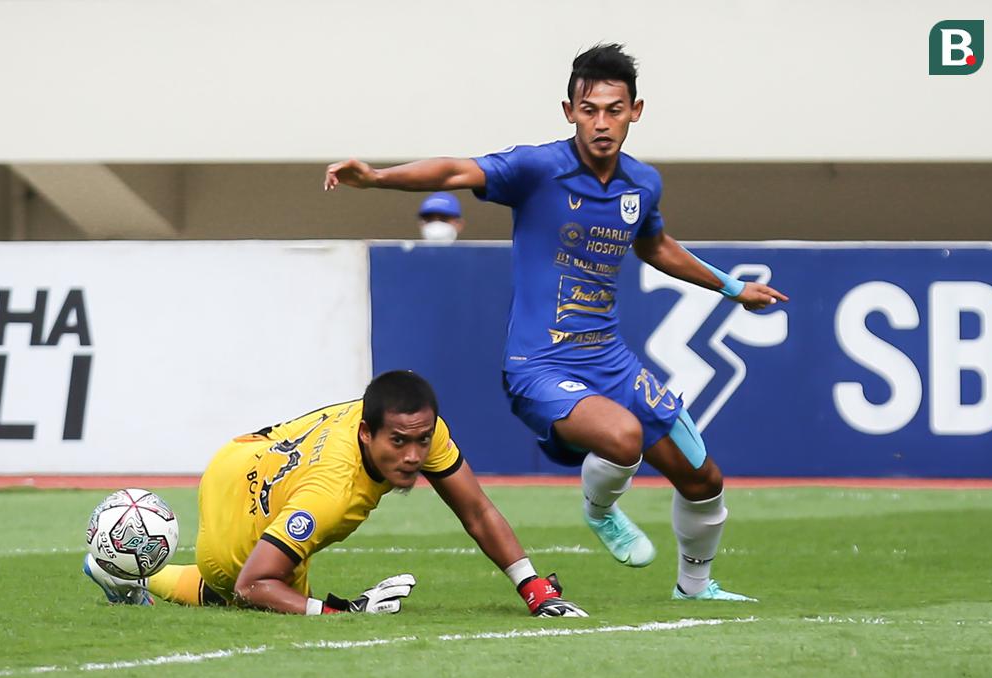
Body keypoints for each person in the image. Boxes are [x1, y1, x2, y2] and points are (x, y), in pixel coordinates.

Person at [323, 44, 788, 602]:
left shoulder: (642, 184)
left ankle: (696, 587)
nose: (602, 122)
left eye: (614, 110)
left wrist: (732, 288)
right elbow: (455, 169)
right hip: (539, 365)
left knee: (703, 479)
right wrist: (375, 178)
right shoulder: (536, 168)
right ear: (569, 111)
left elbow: (656, 245)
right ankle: (602, 510)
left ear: (635, 111)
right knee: (623, 438)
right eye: (589, 109)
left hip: (611, 362)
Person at [84, 370, 586, 617]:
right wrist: (342, 612)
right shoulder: (331, 494)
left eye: (422, 440)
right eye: (399, 443)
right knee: (257, 594)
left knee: (281, 588)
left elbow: (476, 510)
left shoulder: (414, 428)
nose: (413, 456)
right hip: (236, 501)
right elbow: (253, 584)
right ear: (367, 434)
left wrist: (534, 588)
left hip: (254, 454)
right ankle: (130, 577)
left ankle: (111, 569)